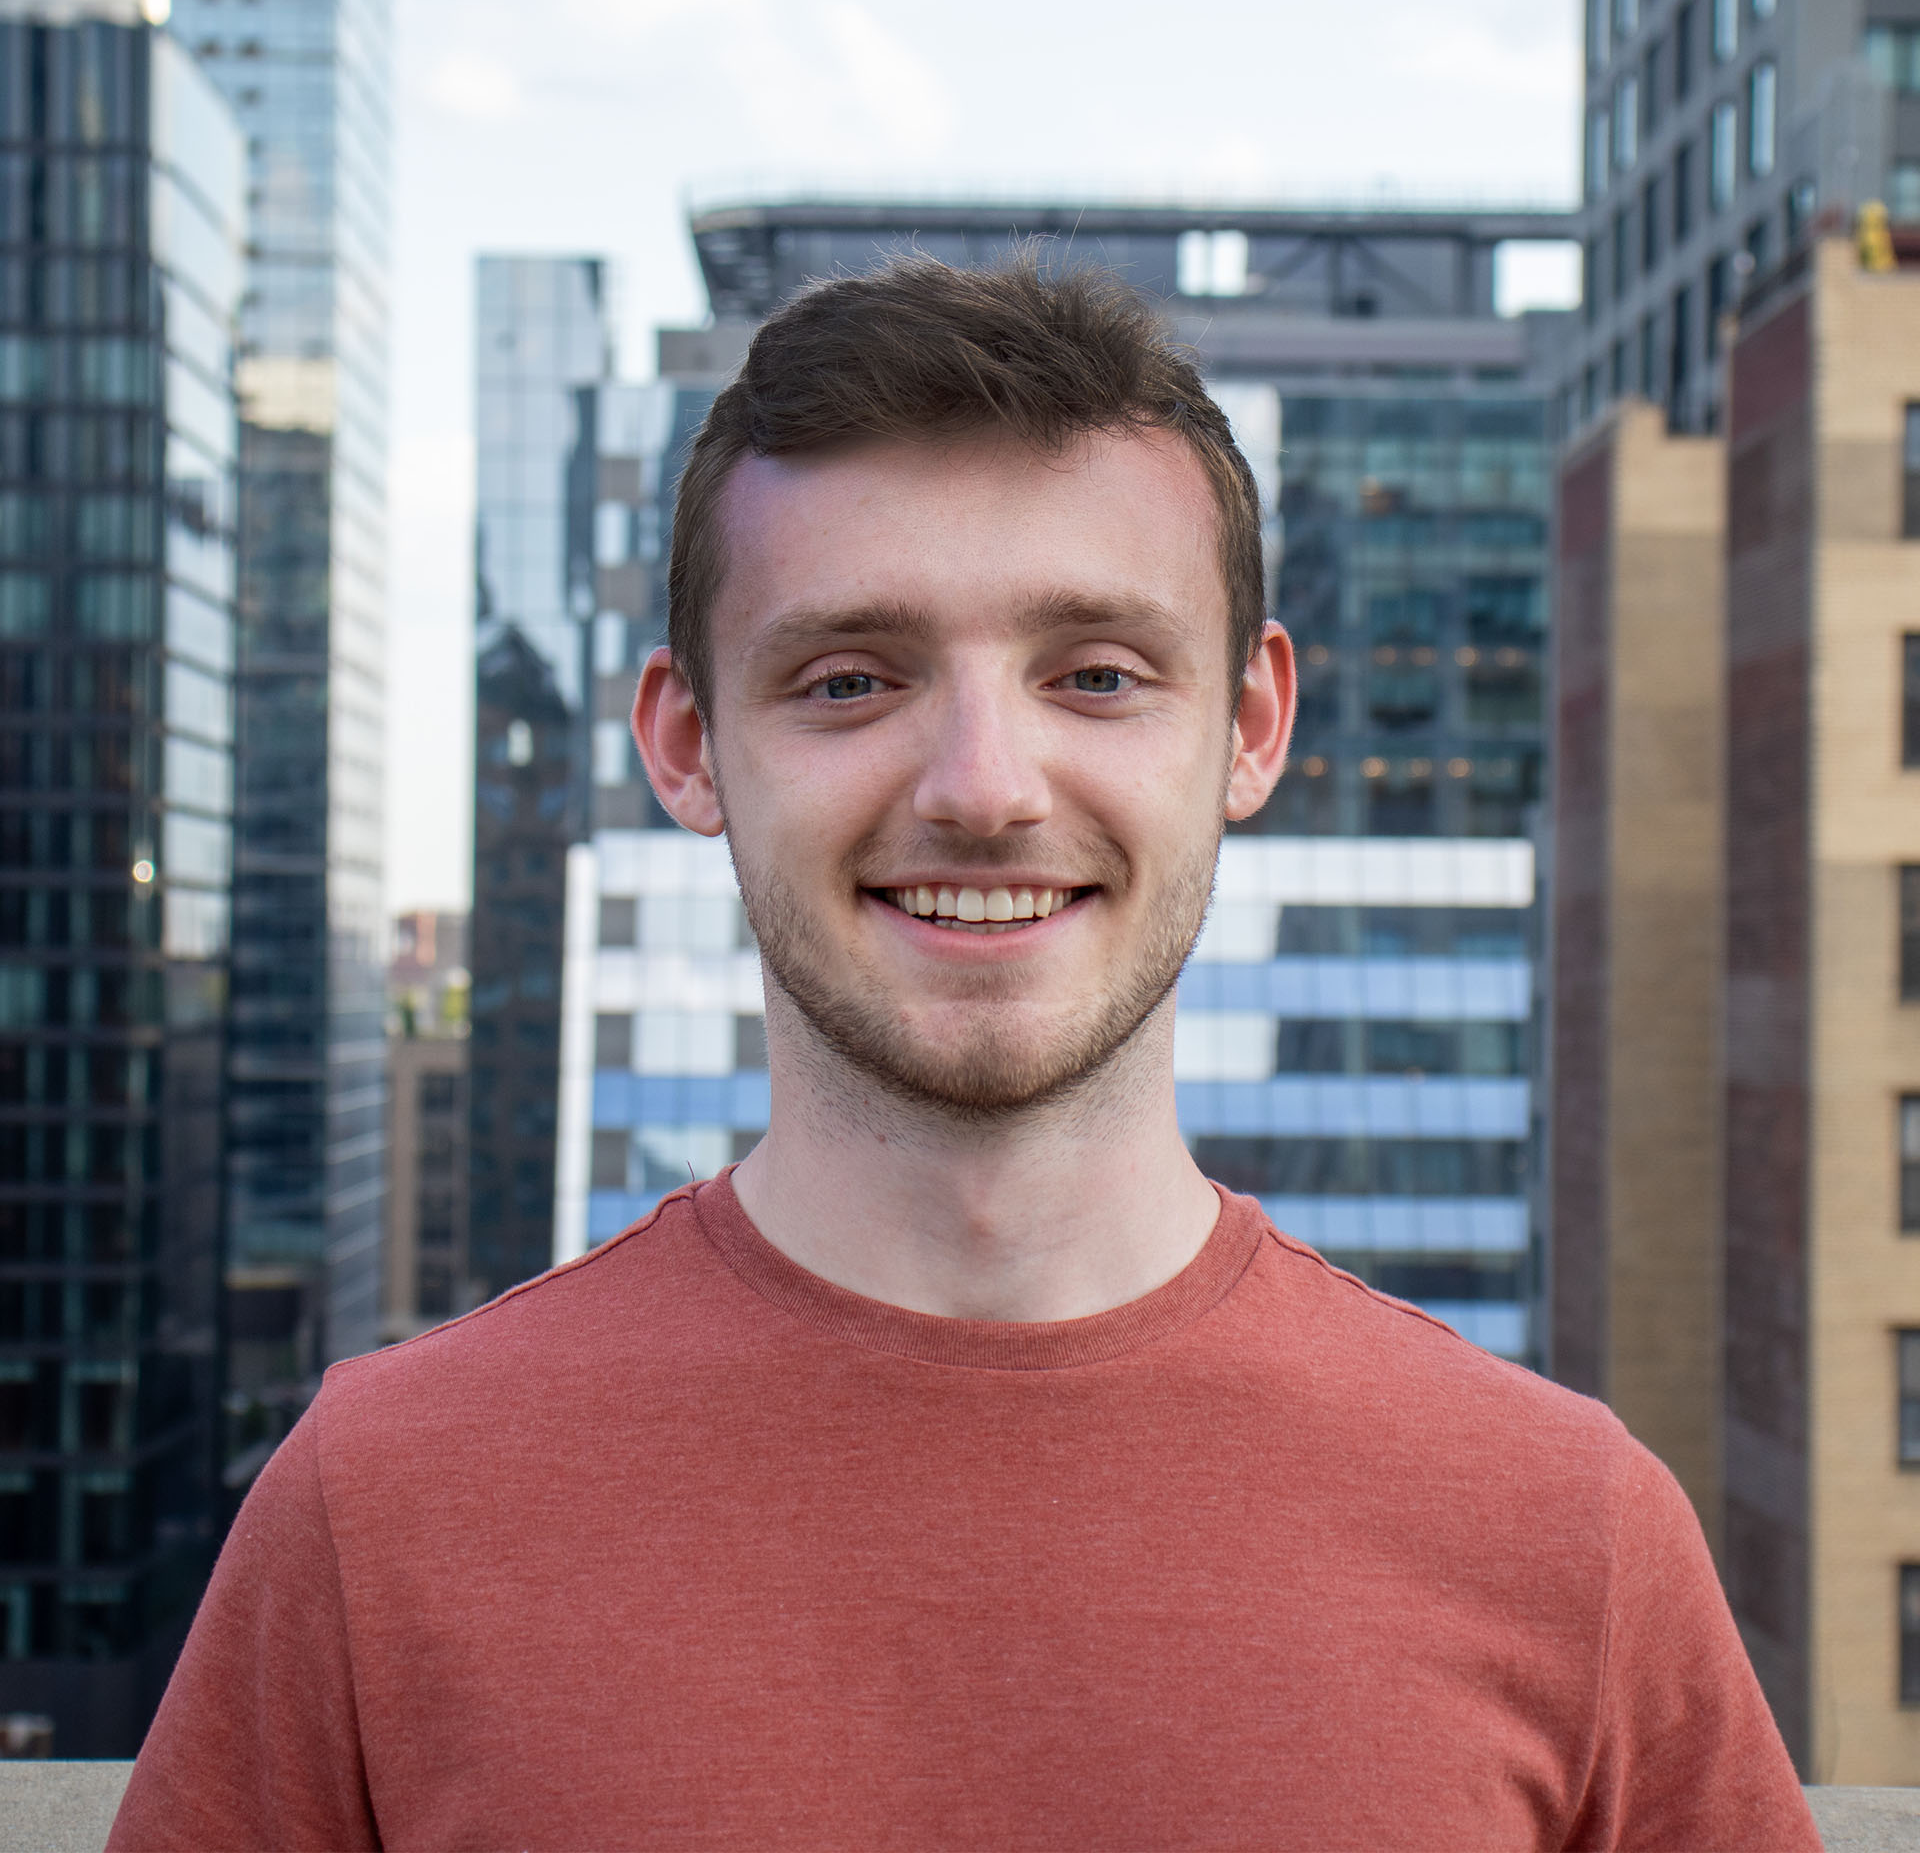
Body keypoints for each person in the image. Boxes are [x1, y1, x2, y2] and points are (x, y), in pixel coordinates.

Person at [108, 258, 1819, 1851]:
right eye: (852, 681)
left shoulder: (1569, 1534)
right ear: (688, 746)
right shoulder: (380, 1507)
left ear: (1249, 726)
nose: (983, 786)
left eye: (1093, 673)